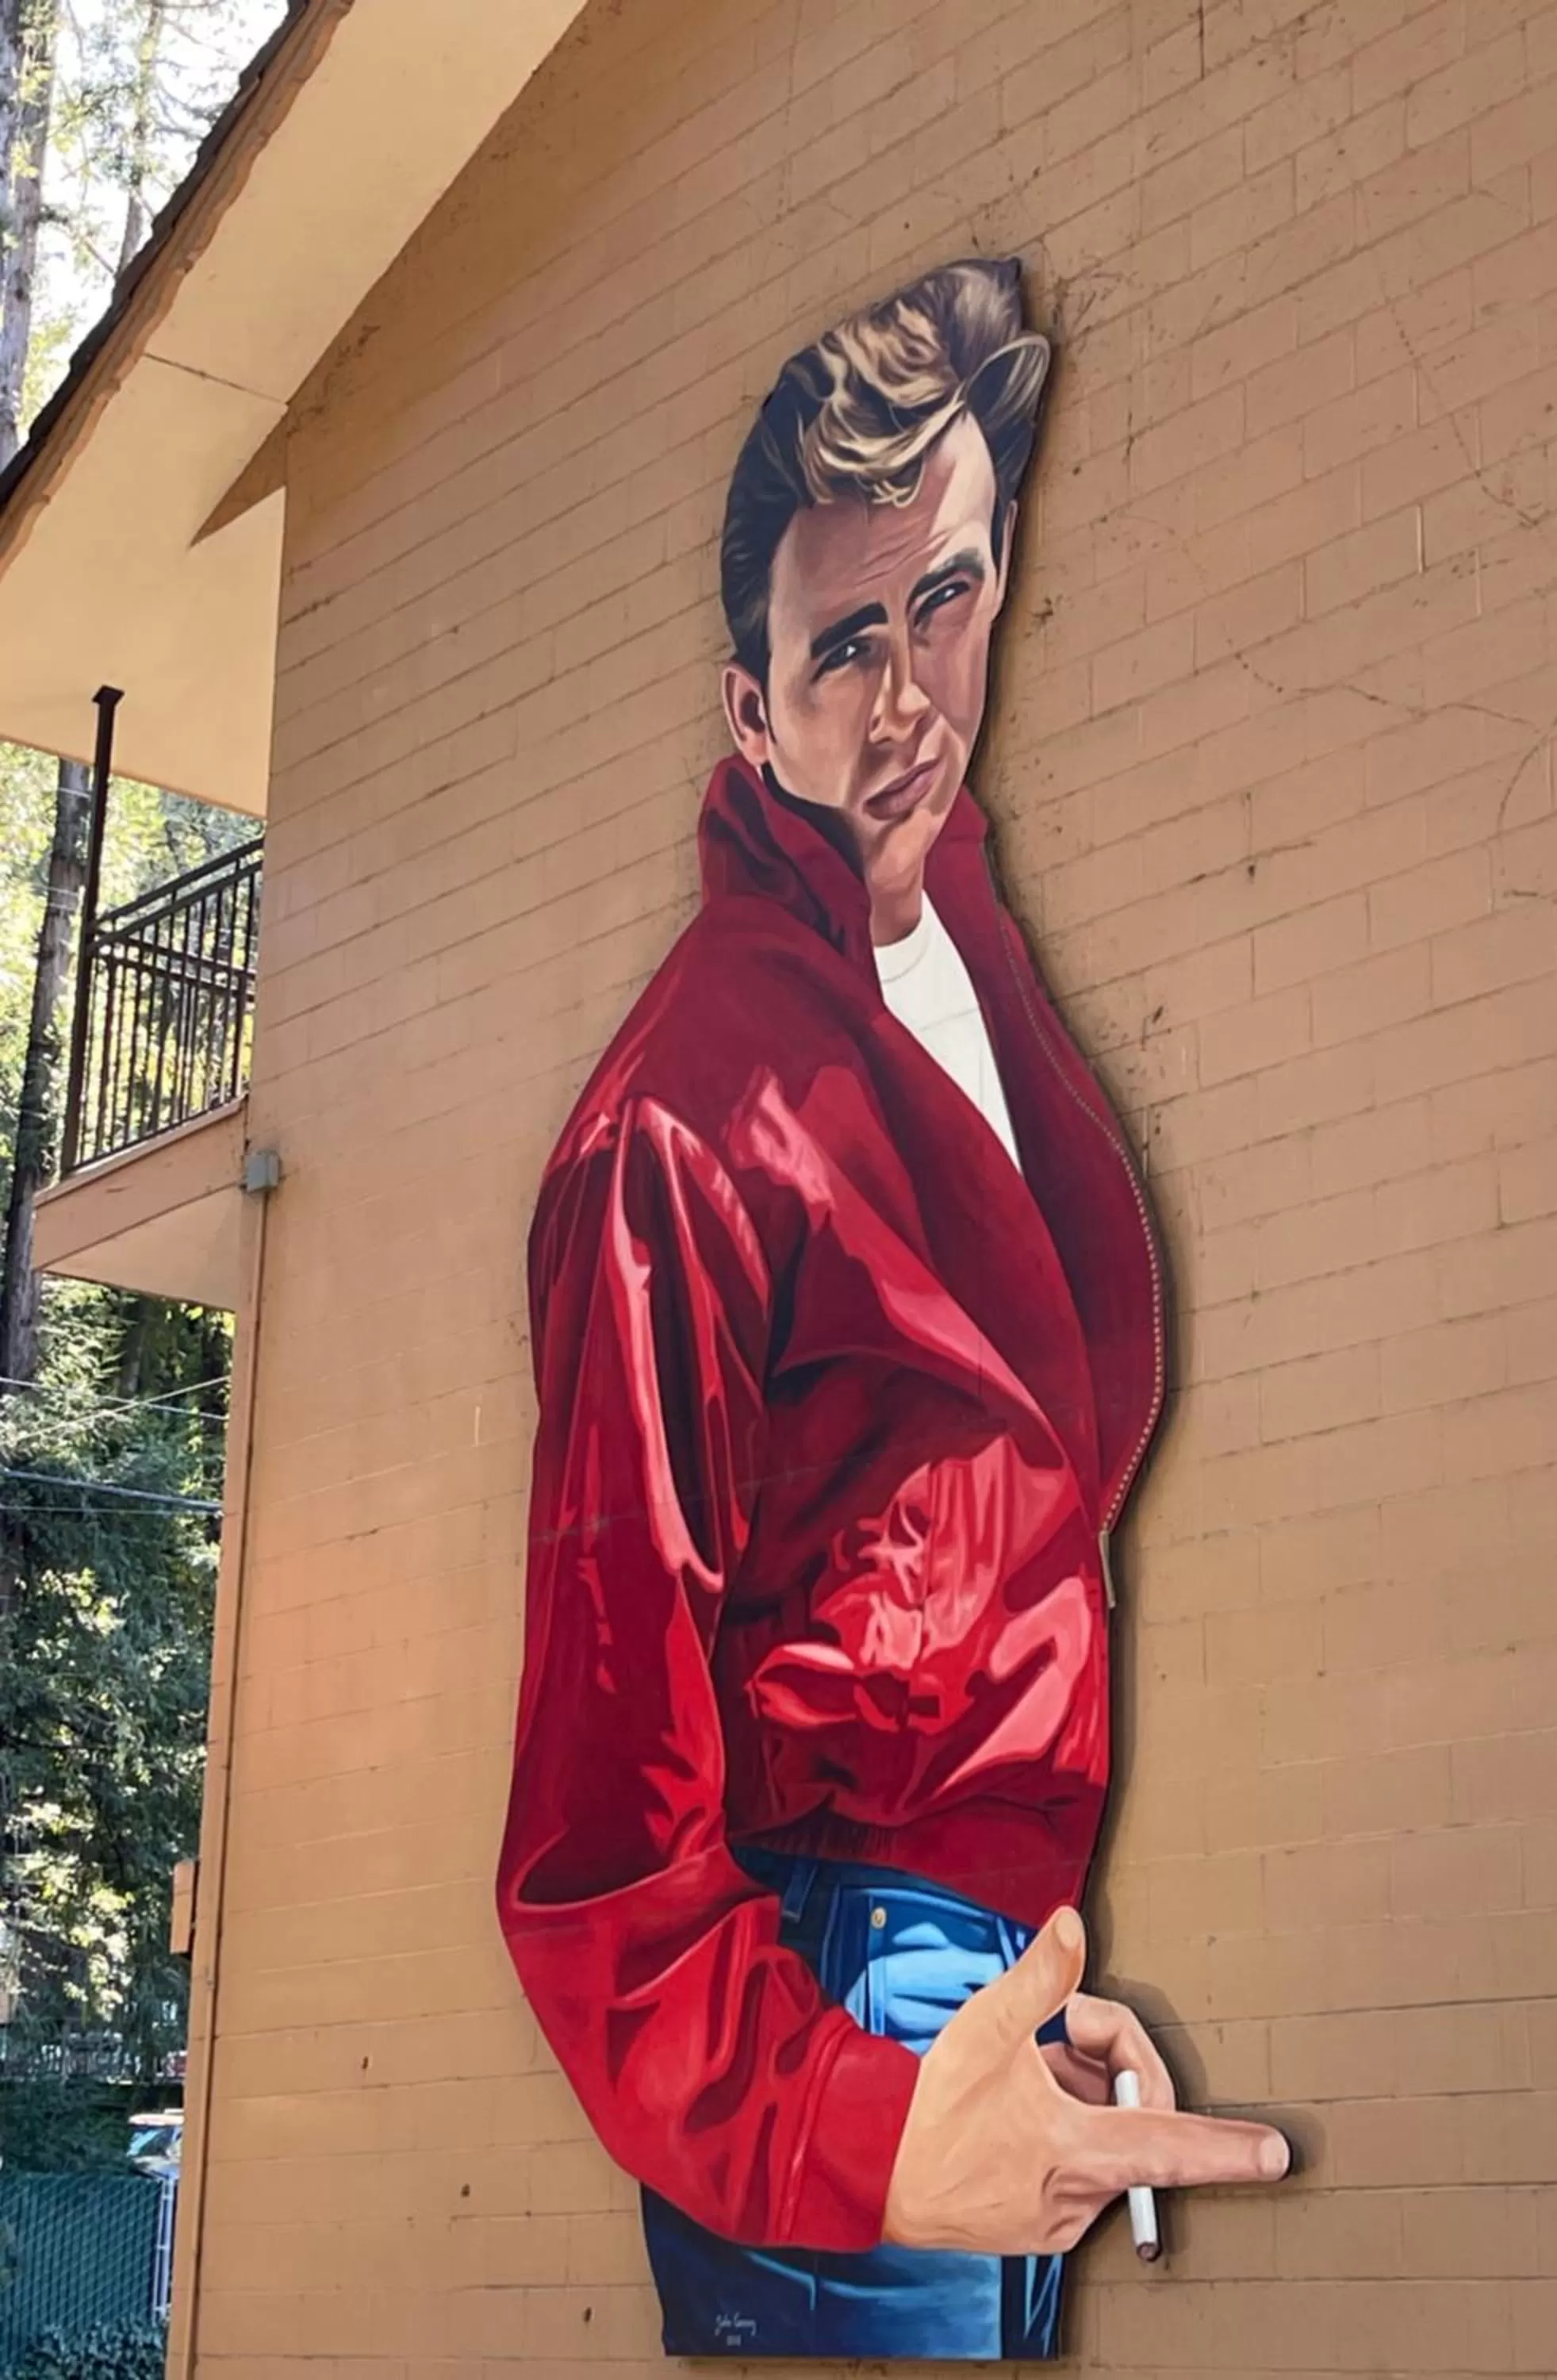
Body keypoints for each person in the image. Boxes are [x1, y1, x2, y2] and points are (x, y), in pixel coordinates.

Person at [495, 257, 1290, 2363]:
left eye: (939, 603)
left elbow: (964, 1539)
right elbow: (595, 1841)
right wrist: (856, 2094)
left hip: (965, 1969)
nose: (907, 695)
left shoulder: (954, 968)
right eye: (841, 645)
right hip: (826, 2014)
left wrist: (1001, 1948)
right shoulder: (685, 1123)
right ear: (751, 700)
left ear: (1001, 573)